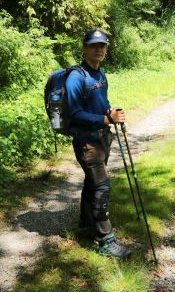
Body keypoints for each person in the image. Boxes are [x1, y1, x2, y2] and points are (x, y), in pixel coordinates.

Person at [66, 28, 132, 259]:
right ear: (84, 48)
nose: (99, 49)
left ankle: (86, 224)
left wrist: (110, 111)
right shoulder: (77, 77)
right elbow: (74, 113)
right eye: (94, 45)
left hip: (102, 138)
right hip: (87, 142)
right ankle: (104, 239)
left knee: (92, 184)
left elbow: (101, 102)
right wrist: (106, 119)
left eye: (102, 45)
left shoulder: (101, 74)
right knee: (102, 188)